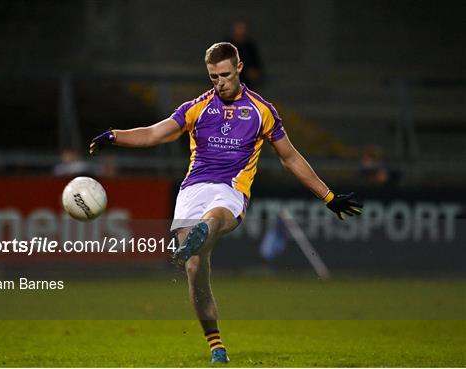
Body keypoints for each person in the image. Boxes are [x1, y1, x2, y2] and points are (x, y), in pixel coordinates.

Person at [89, 42, 362, 364]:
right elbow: (154, 134)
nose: (219, 82)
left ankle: (203, 231)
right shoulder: (197, 107)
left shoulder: (262, 111)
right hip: (193, 188)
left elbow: (290, 158)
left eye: (225, 75)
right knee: (194, 268)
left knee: (216, 217)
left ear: (240, 68)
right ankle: (215, 343)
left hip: (231, 188)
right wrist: (114, 136)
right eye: (213, 76)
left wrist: (327, 196)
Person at [228, 21, 263, 89]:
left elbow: (256, 63)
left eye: (242, 28)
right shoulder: (226, 45)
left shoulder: (250, 46)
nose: (240, 31)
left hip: (247, 81)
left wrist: (254, 71)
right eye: (238, 28)